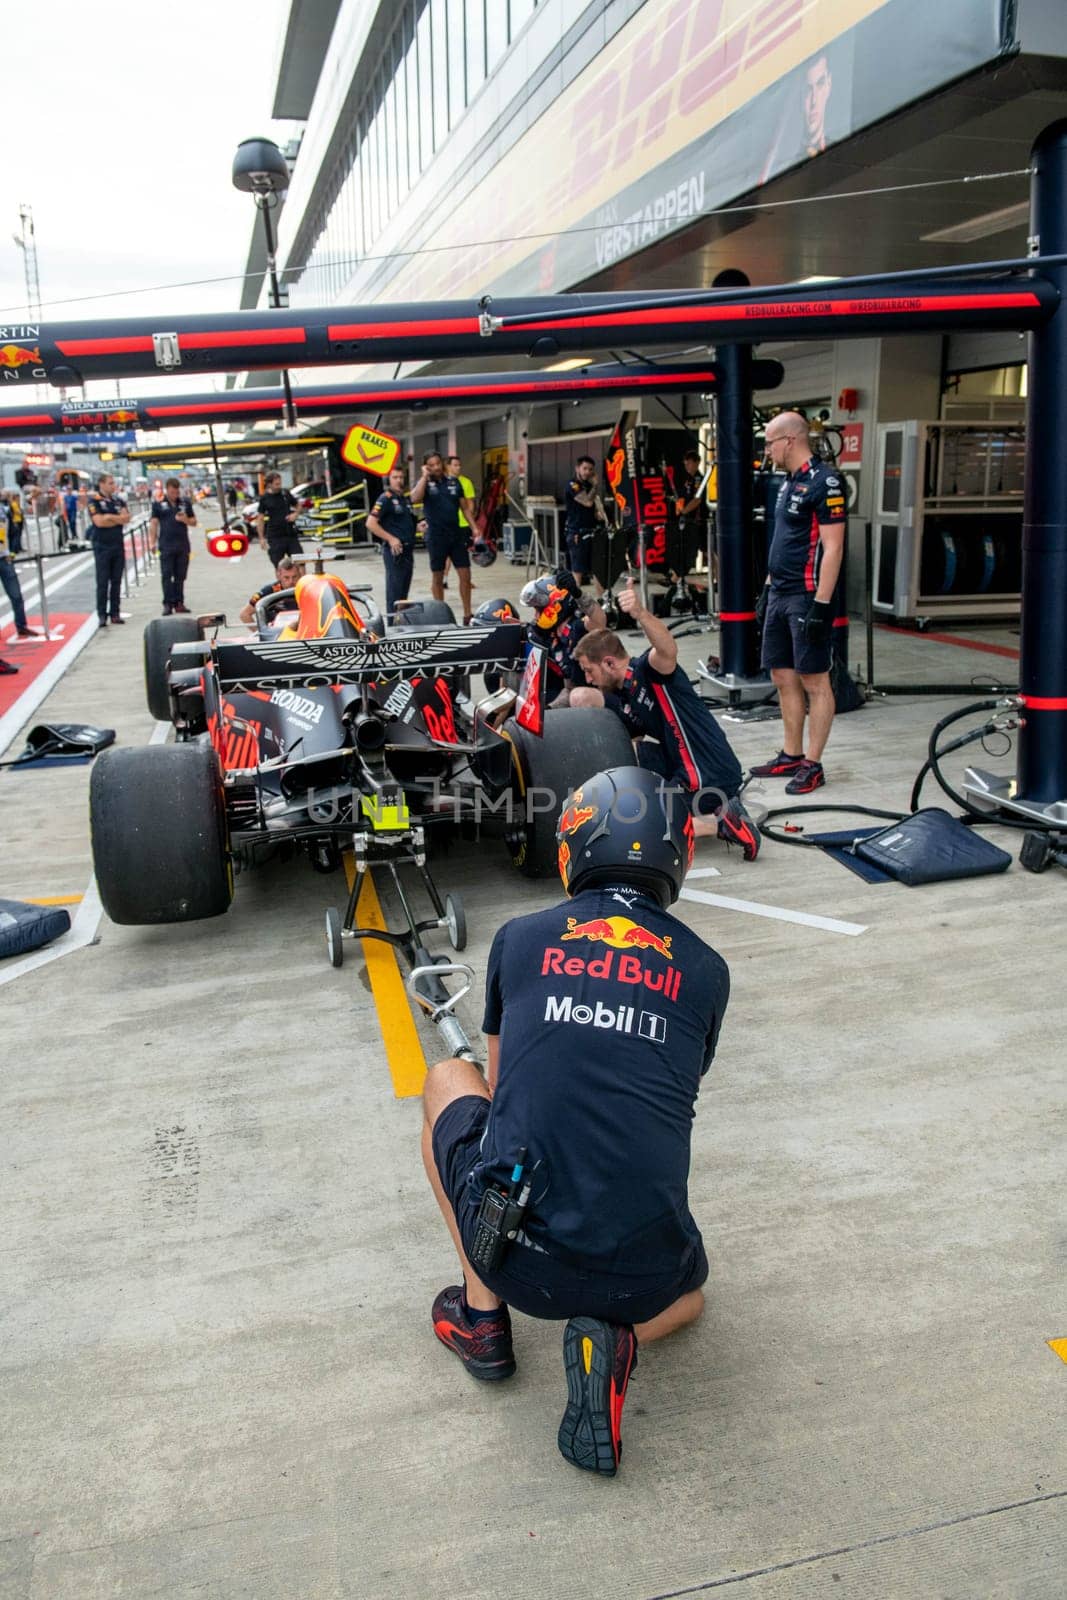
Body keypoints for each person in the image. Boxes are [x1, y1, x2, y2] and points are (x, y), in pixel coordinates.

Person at [423, 765, 729, 1476]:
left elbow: (501, 1098)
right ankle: (617, 1336)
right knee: (691, 1299)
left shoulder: (522, 938)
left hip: (521, 1258)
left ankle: (482, 1321)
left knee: (447, 1080)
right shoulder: (707, 970)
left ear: (574, 846)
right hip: (643, 1270)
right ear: (675, 852)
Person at [570, 577, 760, 858]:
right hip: (680, 766)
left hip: (707, 769)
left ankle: (722, 821)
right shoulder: (625, 695)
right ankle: (709, 812)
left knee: (635, 829)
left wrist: (640, 614)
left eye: (589, 670)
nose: (587, 678)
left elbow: (668, 649)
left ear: (609, 663)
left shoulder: (649, 672)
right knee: (625, 761)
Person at [749, 410, 847, 795]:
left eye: (770, 442)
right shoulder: (787, 483)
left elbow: (833, 546)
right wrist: (767, 589)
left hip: (807, 596)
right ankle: (791, 754)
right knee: (782, 676)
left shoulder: (826, 482)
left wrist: (822, 606)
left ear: (789, 440)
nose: (767, 450)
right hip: (779, 593)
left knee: (815, 681)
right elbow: (784, 542)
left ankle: (813, 763)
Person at [519, 570, 605, 708]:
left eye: (539, 610)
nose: (535, 616)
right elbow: (570, 688)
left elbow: (599, 621)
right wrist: (549, 710)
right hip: (577, 696)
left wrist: (577, 593)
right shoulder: (553, 636)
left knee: (579, 697)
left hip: (601, 699)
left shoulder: (578, 627)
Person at [410, 451, 477, 622]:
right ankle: (441, 616)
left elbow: (465, 509)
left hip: (456, 535)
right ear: (426, 466)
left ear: (442, 464)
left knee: (465, 575)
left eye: (437, 464)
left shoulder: (454, 483)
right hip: (436, 537)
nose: (435, 467)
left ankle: (467, 614)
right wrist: (424, 476)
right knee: (437, 577)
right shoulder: (424, 484)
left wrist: (475, 529)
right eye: (431, 465)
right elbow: (415, 498)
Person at [367, 466, 417, 617]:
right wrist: (390, 538)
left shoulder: (405, 499)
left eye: (401, 477)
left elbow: (403, 523)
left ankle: (400, 624)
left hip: (408, 550)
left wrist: (418, 527)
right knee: (394, 592)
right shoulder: (385, 498)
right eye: (395, 477)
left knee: (403, 594)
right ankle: (392, 625)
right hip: (395, 551)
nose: (399, 481)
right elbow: (370, 523)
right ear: (389, 480)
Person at [87, 473, 130, 628]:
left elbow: (126, 518)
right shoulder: (94, 501)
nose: (114, 486)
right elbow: (99, 522)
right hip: (102, 546)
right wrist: (116, 518)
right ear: (102, 484)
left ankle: (115, 613)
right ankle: (102, 615)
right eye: (110, 483)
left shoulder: (119, 500)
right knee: (103, 582)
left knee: (117, 581)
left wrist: (109, 518)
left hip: (117, 544)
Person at [150, 477, 197, 616]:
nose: (175, 495)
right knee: (166, 575)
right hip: (166, 544)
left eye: (176, 492)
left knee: (180, 575)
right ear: (167, 490)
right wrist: (152, 542)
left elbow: (194, 521)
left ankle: (179, 602)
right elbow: (154, 523)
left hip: (182, 544)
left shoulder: (185, 503)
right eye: (172, 492)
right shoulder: (158, 504)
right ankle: (167, 603)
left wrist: (185, 520)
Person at [562, 456, 606, 587]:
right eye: (584, 468)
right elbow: (587, 502)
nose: (587, 472)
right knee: (578, 571)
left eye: (590, 469)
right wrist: (596, 485)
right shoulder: (573, 485)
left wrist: (598, 514)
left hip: (591, 531)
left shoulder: (588, 485)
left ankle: (601, 601)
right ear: (577, 469)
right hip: (577, 533)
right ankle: (575, 603)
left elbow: (590, 506)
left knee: (598, 570)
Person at [0, 511, 39, 640]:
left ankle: (21, 626)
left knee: (16, 595)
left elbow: (8, 533)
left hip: (4, 558)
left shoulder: (2, 511)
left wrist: (10, 552)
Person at [256, 473, 303, 565]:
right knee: (279, 565)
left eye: (280, 484)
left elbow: (298, 505)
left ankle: (300, 579)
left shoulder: (285, 494)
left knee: (300, 562)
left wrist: (295, 514)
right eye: (276, 484)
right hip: (275, 536)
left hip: (290, 534)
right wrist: (261, 538)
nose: (279, 486)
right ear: (269, 484)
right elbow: (260, 519)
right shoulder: (265, 498)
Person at [239, 555, 300, 625]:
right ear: (278, 575)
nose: (291, 581)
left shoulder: (307, 589)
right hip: (277, 632)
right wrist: (262, 634)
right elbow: (244, 614)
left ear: (300, 575)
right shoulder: (268, 591)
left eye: (294, 577)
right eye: (286, 578)